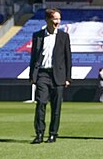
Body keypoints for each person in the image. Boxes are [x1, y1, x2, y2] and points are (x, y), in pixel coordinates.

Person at [29, 8, 72, 144]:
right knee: (41, 103)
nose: (58, 22)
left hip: (58, 75)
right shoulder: (38, 36)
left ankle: (53, 134)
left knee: (56, 106)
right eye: (55, 19)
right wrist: (32, 75)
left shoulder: (64, 37)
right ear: (47, 19)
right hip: (42, 74)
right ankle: (39, 133)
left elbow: (68, 58)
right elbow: (33, 57)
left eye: (59, 19)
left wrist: (68, 77)